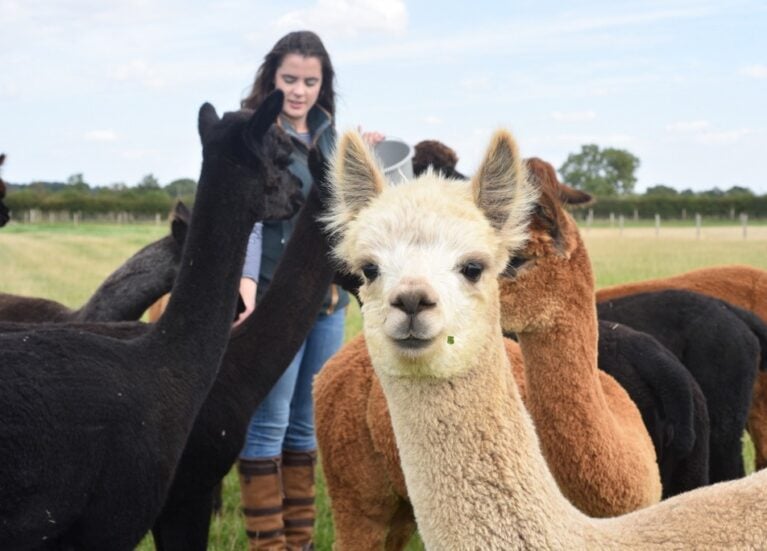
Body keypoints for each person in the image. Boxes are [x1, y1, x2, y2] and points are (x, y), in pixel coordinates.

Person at [236, 30, 382, 550]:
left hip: (328, 303)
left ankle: (298, 544)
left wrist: (364, 160)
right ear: (271, 79)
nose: (299, 90)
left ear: (324, 85)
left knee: (305, 426)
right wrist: (247, 284)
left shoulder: (330, 138)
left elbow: (348, 216)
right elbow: (250, 220)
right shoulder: (255, 137)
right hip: (274, 301)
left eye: (310, 81)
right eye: (290, 79)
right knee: (269, 423)